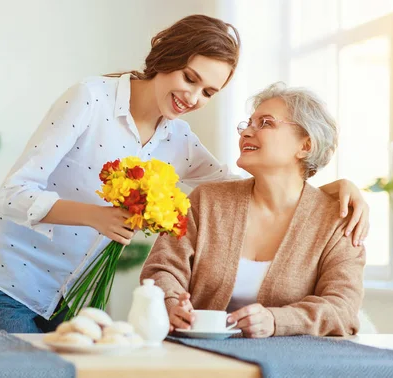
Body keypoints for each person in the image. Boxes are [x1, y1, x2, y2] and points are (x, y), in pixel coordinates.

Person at [0, 15, 368, 333]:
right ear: (166, 59)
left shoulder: (179, 139)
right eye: (190, 78)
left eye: (208, 92)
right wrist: (96, 216)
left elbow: (254, 182)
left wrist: (332, 190)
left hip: (76, 294)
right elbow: (14, 192)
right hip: (10, 281)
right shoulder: (90, 98)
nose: (192, 98)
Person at [141, 82, 366, 338]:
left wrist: (276, 320)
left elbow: (343, 309)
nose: (246, 132)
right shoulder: (207, 201)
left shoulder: (337, 221)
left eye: (266, 123)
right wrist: (170, 303)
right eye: (248, 123)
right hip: (198, 356)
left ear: (305, 145)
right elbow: (162, 268)